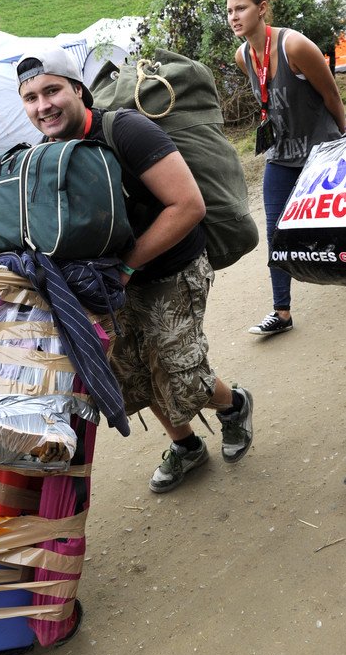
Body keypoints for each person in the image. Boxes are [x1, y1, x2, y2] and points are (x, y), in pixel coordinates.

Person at [16, 47, 254, 493]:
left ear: (78, 90)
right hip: (111, 283)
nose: (43, 105)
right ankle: (186, 446)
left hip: (171, 267)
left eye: (52, 90)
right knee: (131, 373)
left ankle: (233, 404)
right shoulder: (48, 155)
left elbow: (188, 205)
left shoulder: (125, 129)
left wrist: (127, 265)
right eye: (31, 98)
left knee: (182, 374)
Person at [227, 0, 345, 336]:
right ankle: (282, 313)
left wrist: (344, 143)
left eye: (241, 8)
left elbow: (332, 96)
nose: (234, 16)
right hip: (280, 156)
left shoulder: (294, 45)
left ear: (262, 8)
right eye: (230, 10)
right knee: (277, 234)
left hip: (321, 154)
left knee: (336, 228)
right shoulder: (243, 56)